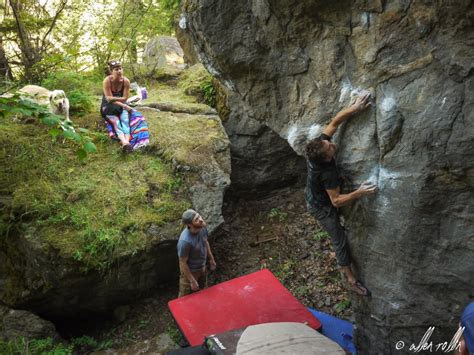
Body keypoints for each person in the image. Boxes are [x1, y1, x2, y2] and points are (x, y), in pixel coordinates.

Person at [305, 93, 377, 296]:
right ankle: (350, 278)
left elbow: (334, 123)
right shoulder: (327, 173)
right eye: (330, 148)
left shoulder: (317, 147)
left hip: (315, 193)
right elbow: (336, 201)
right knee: (339, 239)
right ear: (327, 158)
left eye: (329, 143)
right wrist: (360, 192)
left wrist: (354, 108)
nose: (332, 144)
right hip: (321, 207)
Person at [177, 209, 216, 297]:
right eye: (196, 219)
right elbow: (182, 262)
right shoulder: (185, 241)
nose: (201, 220)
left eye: (199, 216)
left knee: (203, 293)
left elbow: (205, 243)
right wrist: (192, 280)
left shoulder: (202, 227)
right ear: (189, 225)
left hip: (202, 268)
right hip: (190, 273)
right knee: (185, 298)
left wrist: (211, 259)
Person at [100, 60, 135, 152]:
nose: (119, 71)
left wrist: (114, 99)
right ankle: (124, 142)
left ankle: (126, 143)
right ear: (112, 71)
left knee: (125, 122)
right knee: (116, 123)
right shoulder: (107, 81)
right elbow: (108, 100)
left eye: (120, 69)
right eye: (116, 69)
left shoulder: (126, 81)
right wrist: (122, 102)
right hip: (108, 107)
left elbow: (125, 98)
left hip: (121, 106)